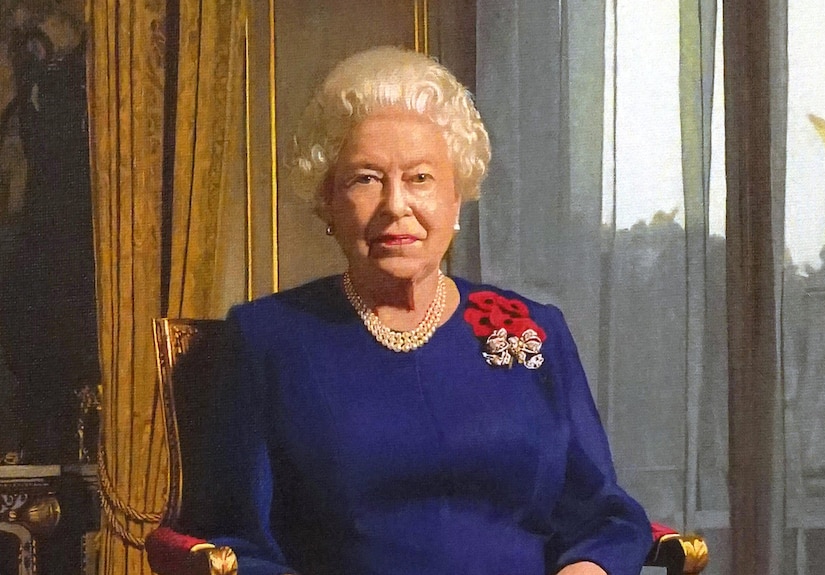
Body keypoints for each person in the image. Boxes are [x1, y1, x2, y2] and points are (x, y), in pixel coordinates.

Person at [190, 46, 652, 575]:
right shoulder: (267, 339)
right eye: (365, 178)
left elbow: (605, 517)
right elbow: (232, 547)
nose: (396, 206)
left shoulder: (533, 330)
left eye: (420, 179)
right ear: (328, 203)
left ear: (457, 199)